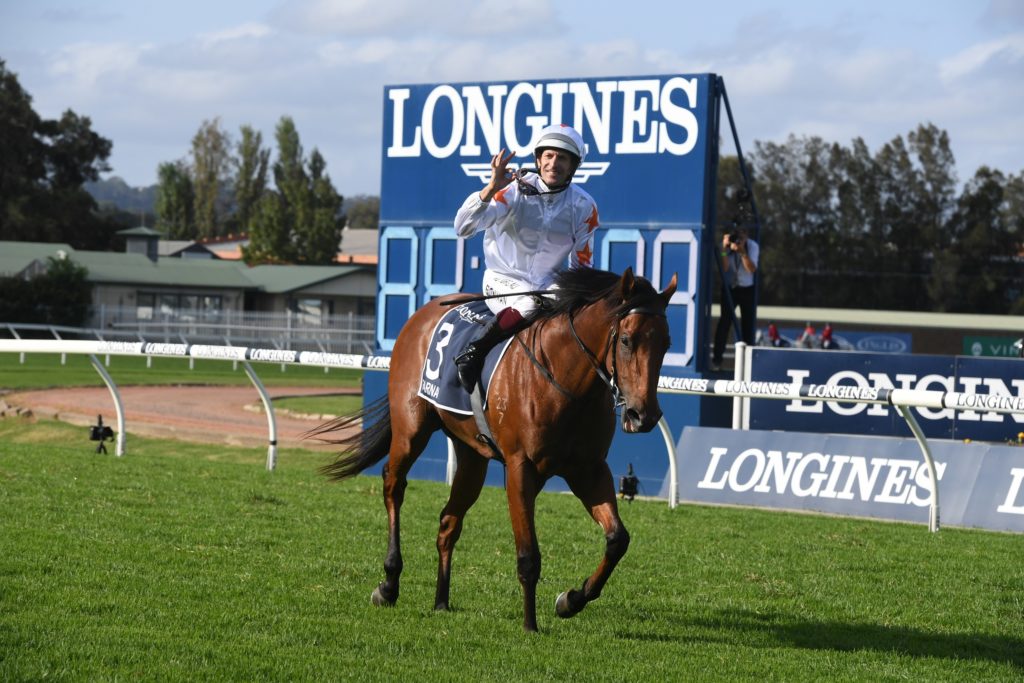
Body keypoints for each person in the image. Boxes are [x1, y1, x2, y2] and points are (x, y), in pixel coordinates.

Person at [452, 124, 599, 392]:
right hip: (501, 280)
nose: (554, 163)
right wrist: (489, 189)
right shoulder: (512, 191)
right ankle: (474, 351)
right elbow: (463, 228)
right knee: (531, 304)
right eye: (549, 156)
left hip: (547, 286)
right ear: (538, 159)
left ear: (574, 165)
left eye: (562, 158)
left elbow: (582, 265)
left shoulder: (584, 206)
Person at [711, 227, 759, 370]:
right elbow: (725, 268)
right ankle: (717, 361)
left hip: (747, 289)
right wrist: (725, 249)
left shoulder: (752, 246)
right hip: (730, 288)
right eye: (736, 235)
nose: (739, 239)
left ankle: (748, 365)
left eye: (742, 236)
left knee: (747, 325)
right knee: (724, 323)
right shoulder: (727, 246)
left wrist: (742, 252)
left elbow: (752, 269)